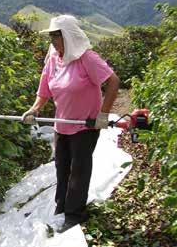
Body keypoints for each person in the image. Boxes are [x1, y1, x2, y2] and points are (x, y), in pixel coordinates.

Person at [22, 15, 120, 233]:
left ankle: (75, 214)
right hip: (61, 123)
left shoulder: (87, 59)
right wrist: (34, 109)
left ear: (68, 36)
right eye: (51, 36)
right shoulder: (53, 60)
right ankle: (62, 207)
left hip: (85, 125)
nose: (53, 41)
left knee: (79, 169)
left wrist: (103, 116)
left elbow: (113, 82)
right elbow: (44, 91)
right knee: (61, 166)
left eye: (57, 36)